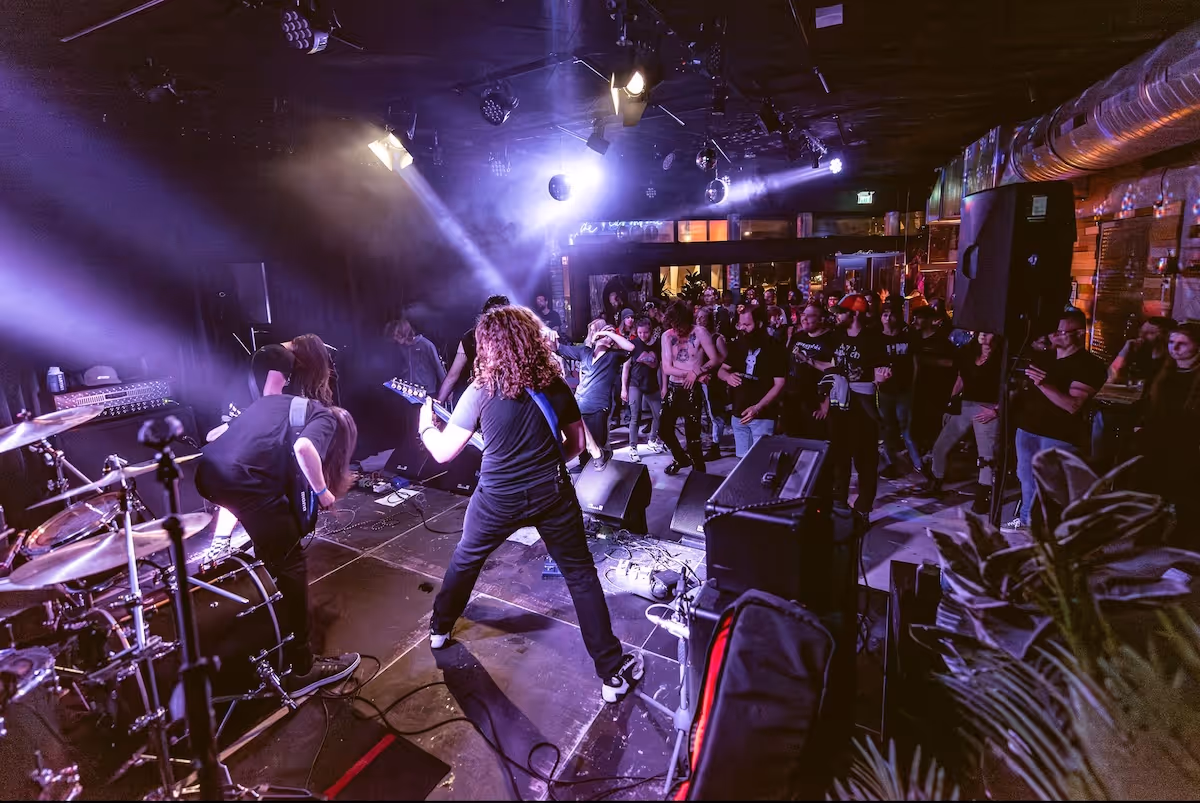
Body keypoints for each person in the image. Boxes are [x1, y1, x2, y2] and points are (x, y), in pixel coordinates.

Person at [417, 305, 644, 702]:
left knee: (466, 559)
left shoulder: (480, 391)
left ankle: (439, 629)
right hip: (551, 494)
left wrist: (424, 424)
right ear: (529, 340)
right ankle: (611, 674)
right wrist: (544, 462)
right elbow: (576, 445)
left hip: (496, 498)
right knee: (580, 575)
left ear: (488, 346)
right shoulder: (554, 385)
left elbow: (442, 453)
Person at [196, 396, 360, 696]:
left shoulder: (276, 403)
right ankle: (303, 668)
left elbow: (220, 435)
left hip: (207, 472)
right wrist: (322, 492)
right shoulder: (325, 419)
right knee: (291, 562)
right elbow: (304, 448)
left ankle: (271, 627)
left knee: (272, 547)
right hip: (243, 482)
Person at [1003, 309, 1107, 535]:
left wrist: (1044, 385)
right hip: (1028, 428)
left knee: (1051, 484)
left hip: (1058, 434)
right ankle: (1027, 521)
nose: (1054, 336)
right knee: (1026, 478)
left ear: (1079, 333)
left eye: (1061, 332)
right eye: (1054, 331)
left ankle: (1054, 529)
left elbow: (1073, 405)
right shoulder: (1044, 358)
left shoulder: (1090, 366)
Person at [920, 332, 1002, 513]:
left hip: (987, 407)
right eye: (981, 332)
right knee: (941, 445)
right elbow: (961, 378)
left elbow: (1011, 387)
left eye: (987, 333)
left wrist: (996, 410)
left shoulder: (1001, 359)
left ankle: (984, 494)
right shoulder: (968, 353)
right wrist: (951, 402)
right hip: (966, 404)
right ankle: (936, 480)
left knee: (986, 457)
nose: (983, 336)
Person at [822, 294, 885, 526]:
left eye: (841, 312)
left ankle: (863, 508)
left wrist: (882, 378)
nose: (837, 317)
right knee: (839, 456)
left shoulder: (873, 338)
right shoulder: (836, 336)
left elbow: (881, 370)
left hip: (863, 403)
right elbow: (831, 364)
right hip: (839, 403)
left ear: (855, 313)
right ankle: (839, 505)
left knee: (865, 459)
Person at [1136, 322, 1200, 542]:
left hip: (1188, 443)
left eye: (1183, 343)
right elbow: (1150, 403)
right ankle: (1150, 534)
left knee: (1185, 497)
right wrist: (1142, 425)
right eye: (1172, 342)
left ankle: (1182, 543)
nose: (1175, 348)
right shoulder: (1165, 370)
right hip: (1159, 441)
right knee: (1153, 491)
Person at [556, 319, 635, 470]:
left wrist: (607, 332)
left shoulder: (614, 356)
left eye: (611, 336)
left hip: (598, 407)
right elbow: (559, 348)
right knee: (581, 442)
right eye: (605, 334)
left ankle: (602, 472)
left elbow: (631, 348)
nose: (607, 337)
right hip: (580, 405)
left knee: (599, 445)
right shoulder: (585, 352)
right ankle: (584, 467)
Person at [660, 301, 720, 475]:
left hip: (692, 390)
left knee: (693, 438)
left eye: (679, 325)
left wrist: (698, 372)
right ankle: (681, 458)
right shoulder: (667, 336)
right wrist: (693, 373)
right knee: (663, 430)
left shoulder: (700, 332)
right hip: (674, 387)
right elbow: (667, 368)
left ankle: (699, 475)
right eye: (673, 325)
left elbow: (715, 359)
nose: (677, 329)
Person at [718, 305, 787, 457]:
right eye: (740, 324)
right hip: (738, 415)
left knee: (761, 461)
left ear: (760, 324)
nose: (742, 328)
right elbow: (721, 370)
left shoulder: (774, 348)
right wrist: (728, 377)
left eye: (747, 324)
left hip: (762, 416)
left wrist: (758, 407)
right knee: (741, 462)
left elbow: (779, 384)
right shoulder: (737, 345)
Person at [436, 295, 510, 407]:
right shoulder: (470, 338)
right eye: (491, 318)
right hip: (481, 399)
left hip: (508, 398)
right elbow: (452, 376)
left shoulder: (515, 339)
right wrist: (438, 404)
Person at [876, 300, 921, 478]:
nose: (888, 318)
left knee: (907, 428)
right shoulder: (876, 338)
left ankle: (918, 464)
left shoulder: (908, 336)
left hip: (904, 389)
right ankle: (890, 463)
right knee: (887, 428)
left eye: (891, 314)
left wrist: (913, 386)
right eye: (885, 315)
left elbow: (916, 364)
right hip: (885, 390)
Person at [786, 303, 838, 439]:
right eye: (803, 315)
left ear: (821, 319)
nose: (804, 319)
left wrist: (826, 404)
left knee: (814, 440)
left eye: (809, 316)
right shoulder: (798, 336)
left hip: (816, 400)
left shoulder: (831, 339)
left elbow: (834, 371)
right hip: (793, 397)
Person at [621, 318, 664, 461]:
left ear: (650, 331)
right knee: (635, 416)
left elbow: (660, 366)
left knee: (659, 414)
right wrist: (624, 388)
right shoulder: (633, 345)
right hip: (635, 383)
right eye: (640, 332)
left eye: (645, 332)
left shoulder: (657, 345)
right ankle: (633, 447)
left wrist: (663, 386)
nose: (643, 335)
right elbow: (626, 368)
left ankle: (652, 440)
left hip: (651, 384)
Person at [695, 305, 729, 462]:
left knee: (715, 413)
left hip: (713, 380)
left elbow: (725, 358)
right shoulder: (695, 336)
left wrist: (708, 368)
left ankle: (715, 446)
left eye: (703, 317)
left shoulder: (717, 338)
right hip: (698, 379)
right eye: (698, 317)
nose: (699, 320)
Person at [384, 317, 446, 394]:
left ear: (403, 333)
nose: (395, 338)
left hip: (426, 391)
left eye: (396, 335)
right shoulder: (401, 347)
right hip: (408, 390)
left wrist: (447, 391)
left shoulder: (426, 345)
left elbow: (438, 367)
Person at [1109, 316, 1172, 385]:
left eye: (1150, 333)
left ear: (1165, 335)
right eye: (1141, 331)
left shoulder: (1172, 358)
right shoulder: (1135, 350)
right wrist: (1124, 351)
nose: (1142, 336)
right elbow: (1111, 377)